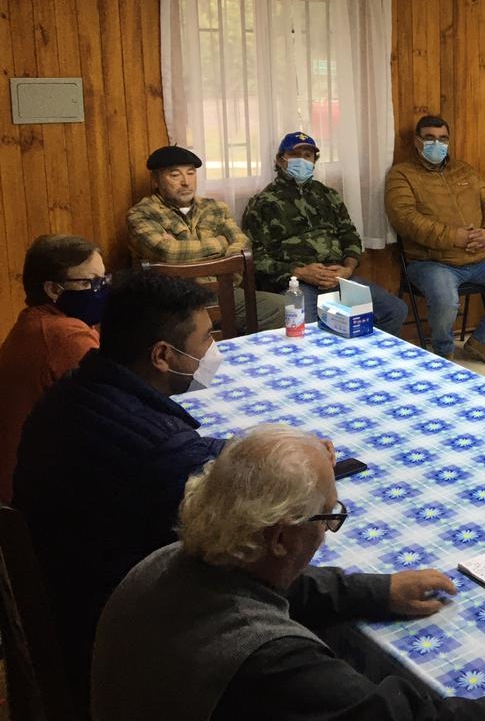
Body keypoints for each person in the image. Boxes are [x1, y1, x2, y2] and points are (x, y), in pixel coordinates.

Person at [92, 424, 485, 721]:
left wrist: (375, 589)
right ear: (282, 536)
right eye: (329, 517)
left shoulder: (178, 555)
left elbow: (271, 585)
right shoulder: (275, 661)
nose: (331, 527)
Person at [12, 270, 230, 708]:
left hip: (61, 604)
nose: (214, 351)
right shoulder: (165, 453)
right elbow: (235, 565)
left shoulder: (70, 393)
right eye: (207, 339)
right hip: (124, 643)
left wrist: (240, 452)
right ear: (163, 356)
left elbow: (155, 449)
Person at [385, 115, 485, 366]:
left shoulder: (464, 169)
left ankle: (482, 341)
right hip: (432, 261)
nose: (436, 144)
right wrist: (455, 237)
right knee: (446, 301)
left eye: (442, 139)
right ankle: (443, 354)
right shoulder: (402, 175)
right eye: (429, 138)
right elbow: (405, 219)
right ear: (417, 142)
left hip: (480, 256)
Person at [241, 132, 409, 335]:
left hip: (339, 278)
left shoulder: (328, 196)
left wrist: (347, 269)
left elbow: (351, 237)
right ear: (280, 159)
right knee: (309, 331)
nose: (302, 160)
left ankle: (361, 359)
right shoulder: (263, 203)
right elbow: (256, 259)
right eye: (295, 154)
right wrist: (300, 272)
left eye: (308, 155)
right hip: (297, 284)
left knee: (395, 311)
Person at [127, 145, 288, 330]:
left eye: (191, 173)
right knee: (177, 329)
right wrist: (221, 243)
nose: (186, 182)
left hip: (222, 292)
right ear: (155, 180)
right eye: (175, 175)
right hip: (174, 302)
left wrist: (185, 252)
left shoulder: (215, 208)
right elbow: (167, 252)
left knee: (283, 307)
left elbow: (241, 246)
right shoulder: (142, 214)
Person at [0, 235, 105, 503]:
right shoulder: (63, 334)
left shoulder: (36, 321)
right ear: (53, 289)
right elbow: (114, 400)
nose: (100, 290)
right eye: (89, 282)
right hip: (36, 496)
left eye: (103, 280)